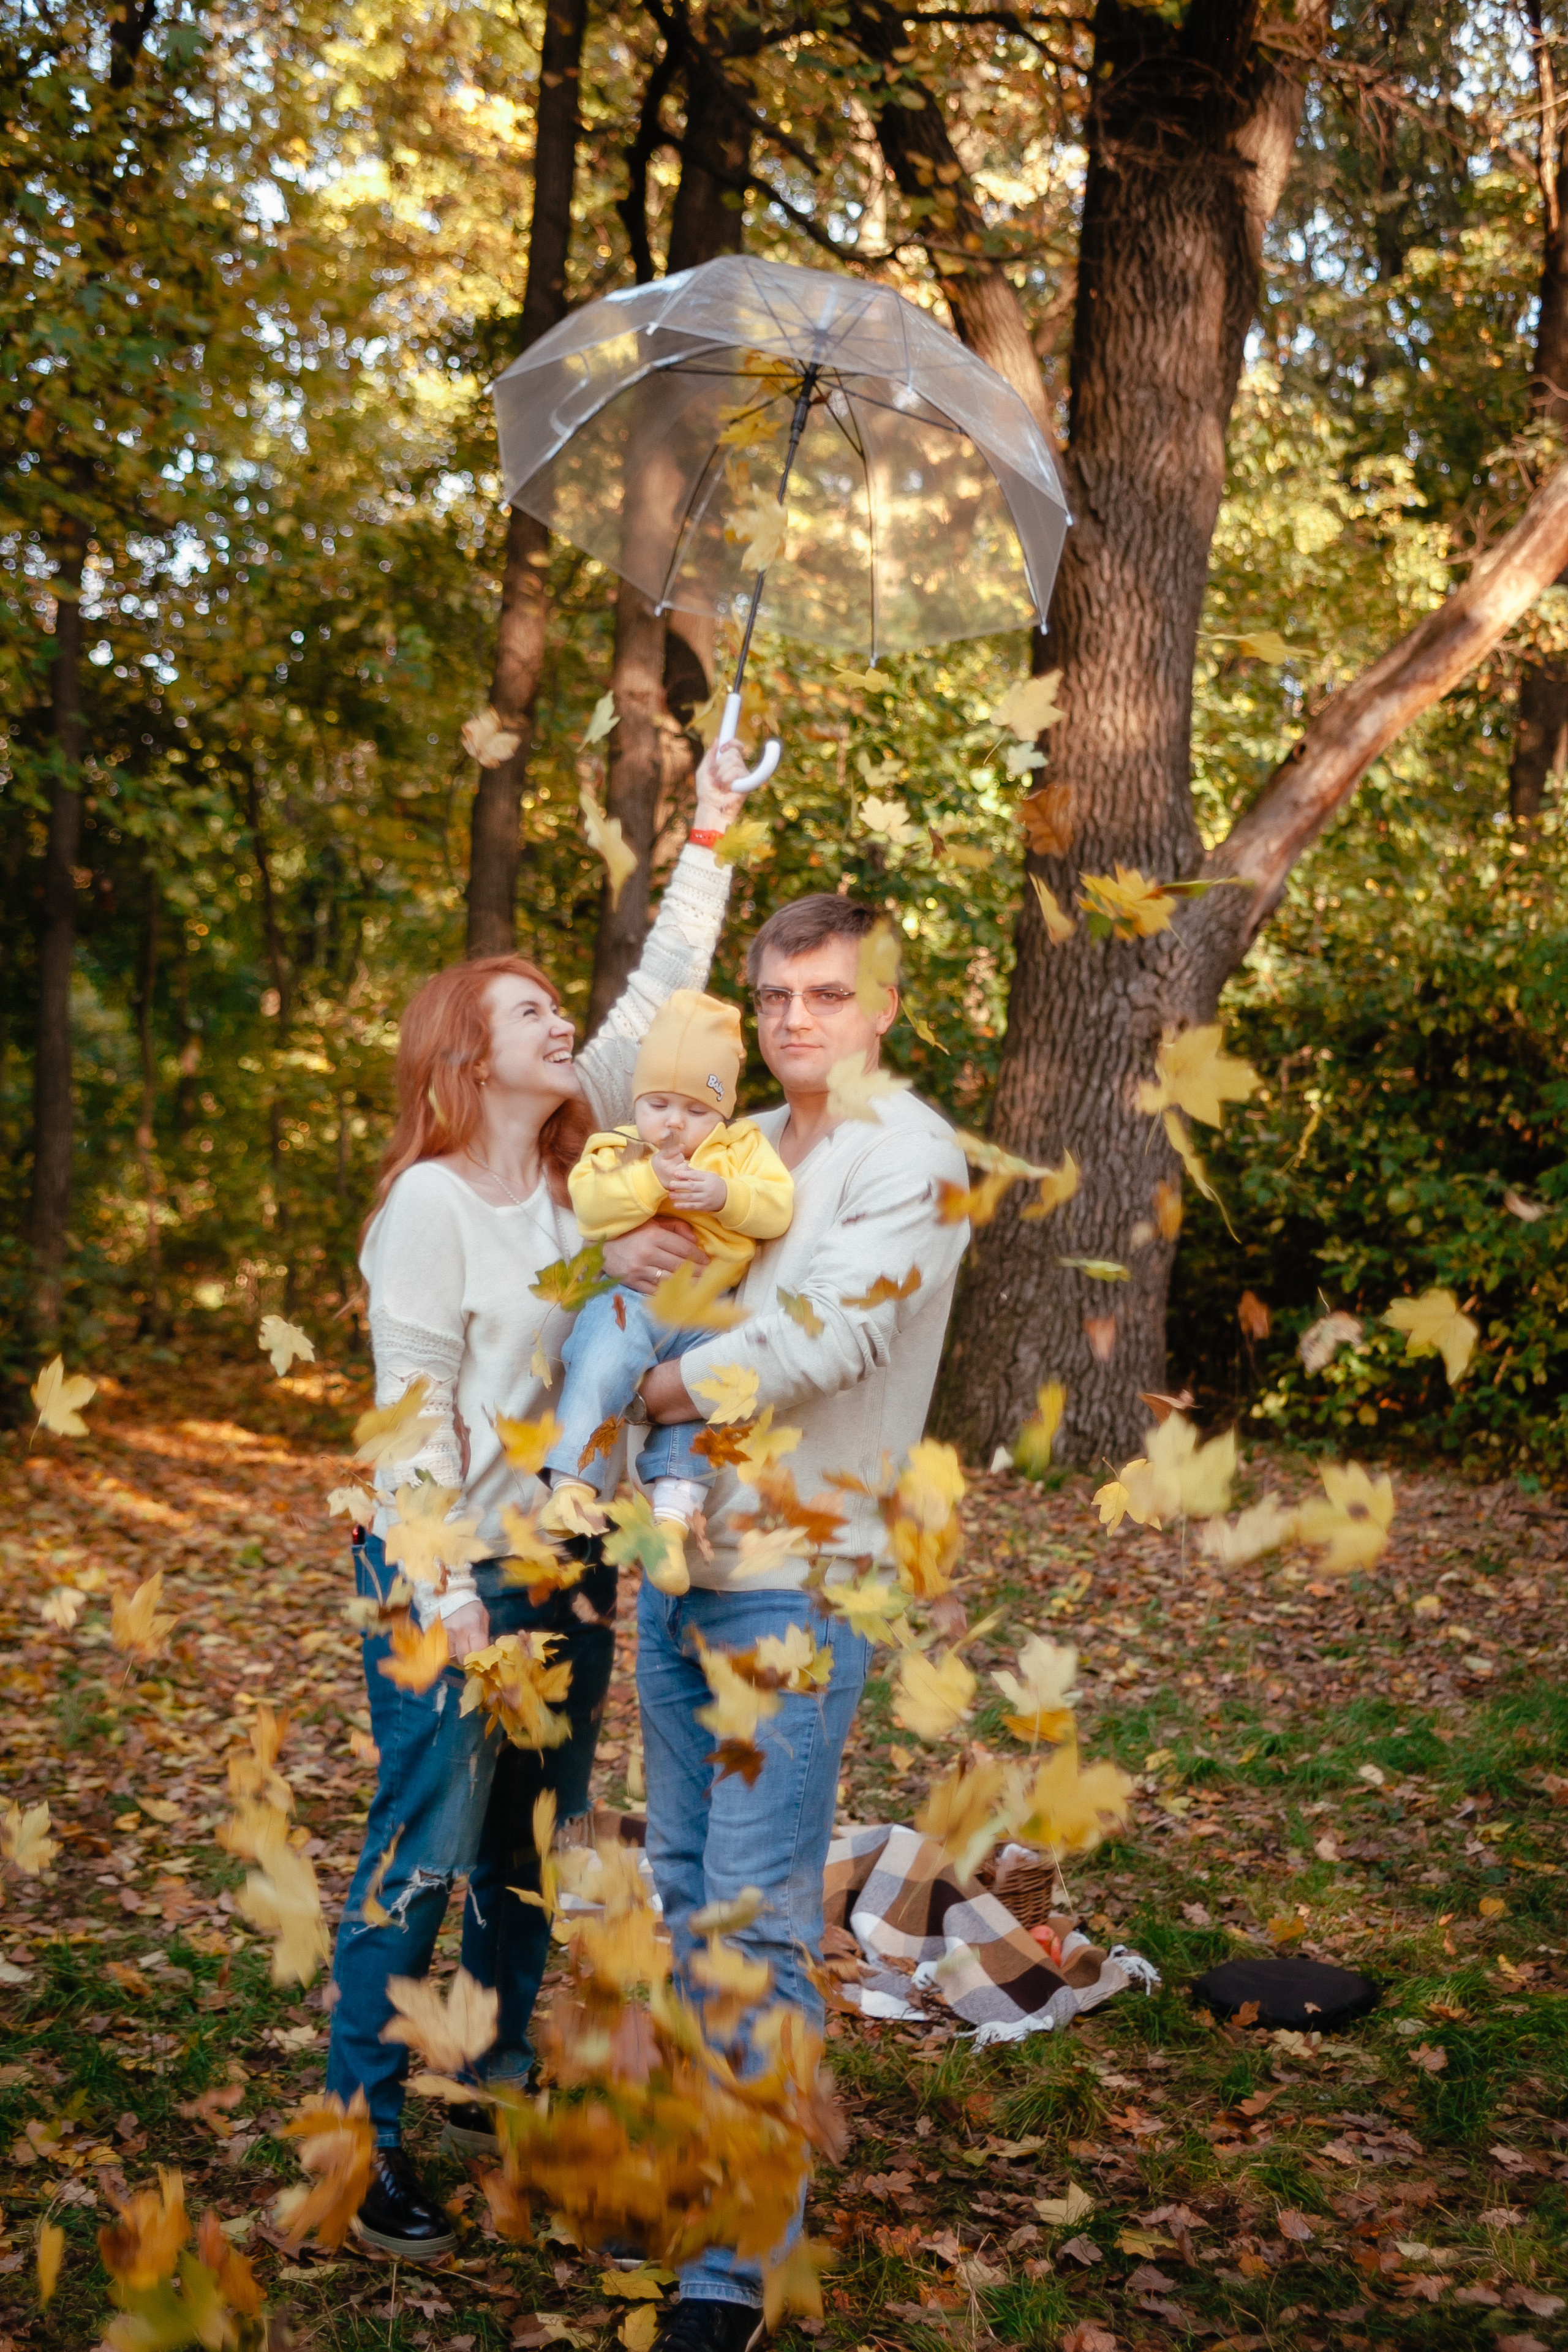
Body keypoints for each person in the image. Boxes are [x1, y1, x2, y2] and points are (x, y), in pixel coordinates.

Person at [323, 741, 752, 2261]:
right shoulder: (428, 1206)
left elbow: (651, 997)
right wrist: (441, 1591)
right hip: (446, 1578)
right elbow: (411, 1412)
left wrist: (707, 820)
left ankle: (490, 2072)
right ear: (463, 1054)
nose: (562, 1023)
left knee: (523, 1846)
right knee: (423, 1847)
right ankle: (356, 2139)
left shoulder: (582, 1183)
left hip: (563, 1565)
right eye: (528, 1012)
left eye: (554, 1011)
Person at [631, 895, 970, 2352]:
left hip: (800, 1572)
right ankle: (716, 2167)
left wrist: (662, 1384)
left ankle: (739, 2265)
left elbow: (832, 1333)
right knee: (686, 1896)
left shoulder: (913, 1155)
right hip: (678, 1558)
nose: (793, 1021)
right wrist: (633, 1272)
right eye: (773, 996)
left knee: (760, 1918)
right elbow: (653, 1282)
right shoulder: (741, 1141)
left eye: (824, 994)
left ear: (881, 1000)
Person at [539, 988, 794, 1589]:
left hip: (712, 1309)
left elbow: (777, 1208)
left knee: (704, 1407)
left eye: (697, 1110)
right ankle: (574, 1485)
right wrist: (649, 1182)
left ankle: (673, 1524)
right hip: (636, 1299)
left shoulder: (741, 1152)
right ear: (637, 1101)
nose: (674, 1122)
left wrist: (726, 1196)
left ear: (723, 1113)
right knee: (598, 1357)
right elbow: (592, 1209)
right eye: (657, 1104)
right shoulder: (618, 1149)